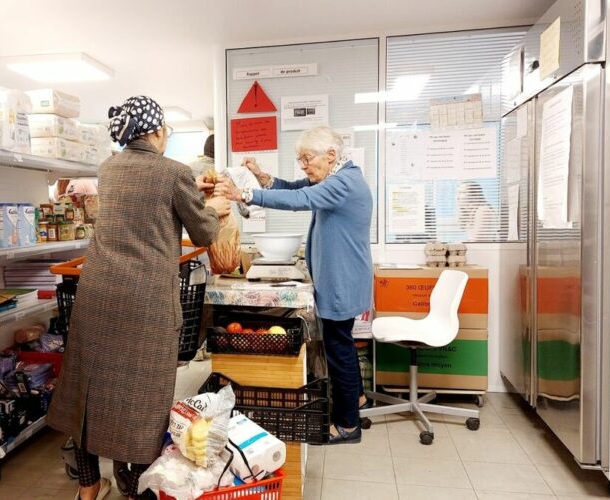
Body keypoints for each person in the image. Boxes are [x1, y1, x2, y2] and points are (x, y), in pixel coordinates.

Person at [46, 95, 230, 500]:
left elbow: (144, 198)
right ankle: (135, 487)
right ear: (157, 131)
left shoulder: (109, 168)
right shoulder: (173, 172)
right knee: (141, 402)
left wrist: (188, 190)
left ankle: (89, 486)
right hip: (145, 303)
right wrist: (212, 205)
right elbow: (203, 232)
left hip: (97, 297)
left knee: (89, 394)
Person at [215, 126, 373, 444]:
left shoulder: (345, 182)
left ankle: (347, 425)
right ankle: (355, 402)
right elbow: (293, 188)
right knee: (342, 342)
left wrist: (244, 194)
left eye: (306, 158)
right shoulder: (334, 177)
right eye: (299, 159)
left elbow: (300, 199)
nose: (303, 165)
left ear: (331, 155)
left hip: (342, 278)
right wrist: (261, 177)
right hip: (341, 276)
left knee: (339, 347)